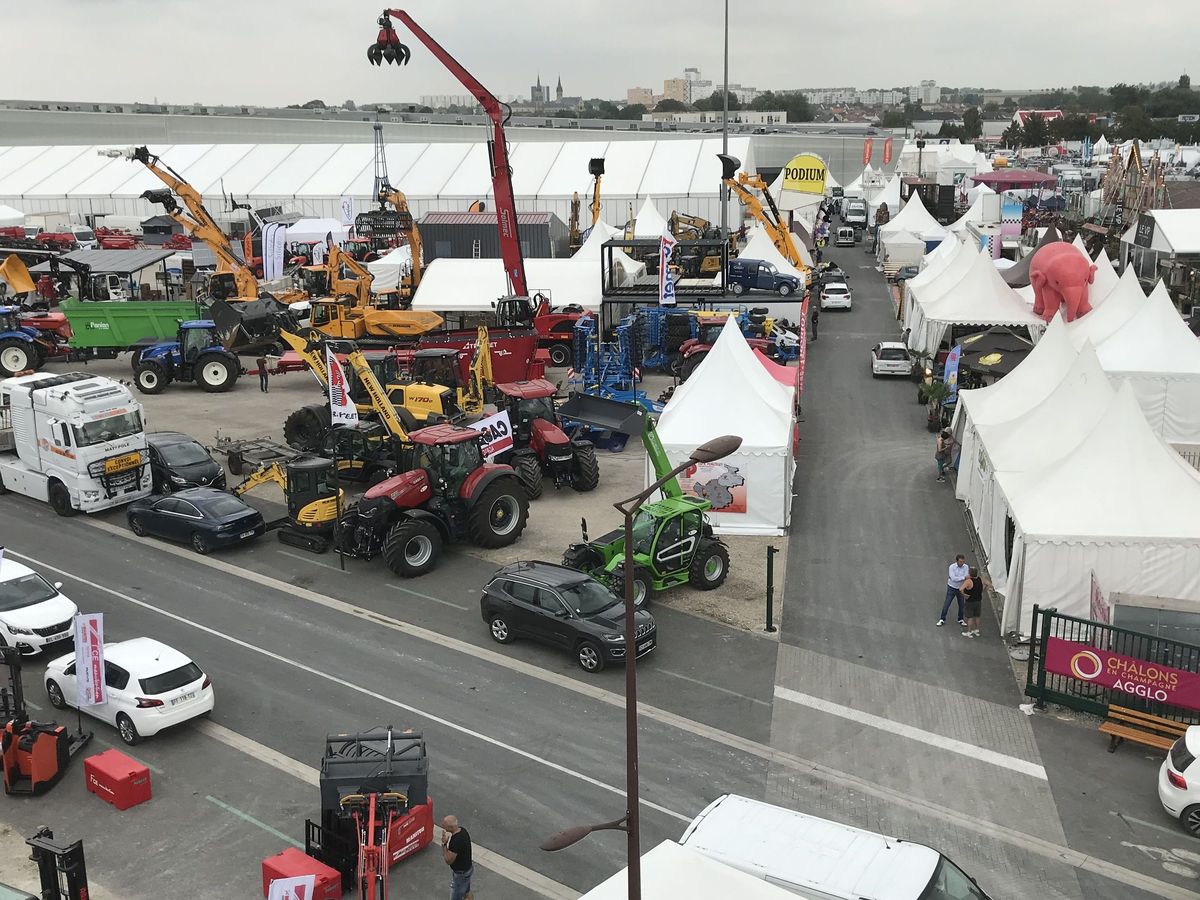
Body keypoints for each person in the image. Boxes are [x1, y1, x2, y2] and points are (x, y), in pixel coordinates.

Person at [442, 815, 473, 900]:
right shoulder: (463, 831)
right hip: (468, 869)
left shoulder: (456, 841)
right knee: (467, 892)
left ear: (450, 827)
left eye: (444, 825)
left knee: (455, 897)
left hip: (461, 874)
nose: (443, 826)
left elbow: (448, 860)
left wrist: (444, 844)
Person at [938, 554, 969, 628]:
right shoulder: (952, 567)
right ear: (957, 561)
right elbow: (953, 578)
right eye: (960, 562)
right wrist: (963, 577)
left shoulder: (966, 567)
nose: (962, 563)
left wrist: (962, 578)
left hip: (961, 588)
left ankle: (960, 619)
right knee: (947, 603)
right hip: (952, 587)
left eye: (963, 562)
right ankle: (942, 619)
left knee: (961, 604)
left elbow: (965, 576)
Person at [962, 567, 984, 638]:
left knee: (970, 617)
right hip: (978, 601)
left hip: (970, 601)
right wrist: (982, 590)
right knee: (977, 616)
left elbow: (961, 589)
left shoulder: (969, 581)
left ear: (970, 573)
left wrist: (964, 595)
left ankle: (969, 631)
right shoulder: (980, 579)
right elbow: (988, 584)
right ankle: (976, 630)